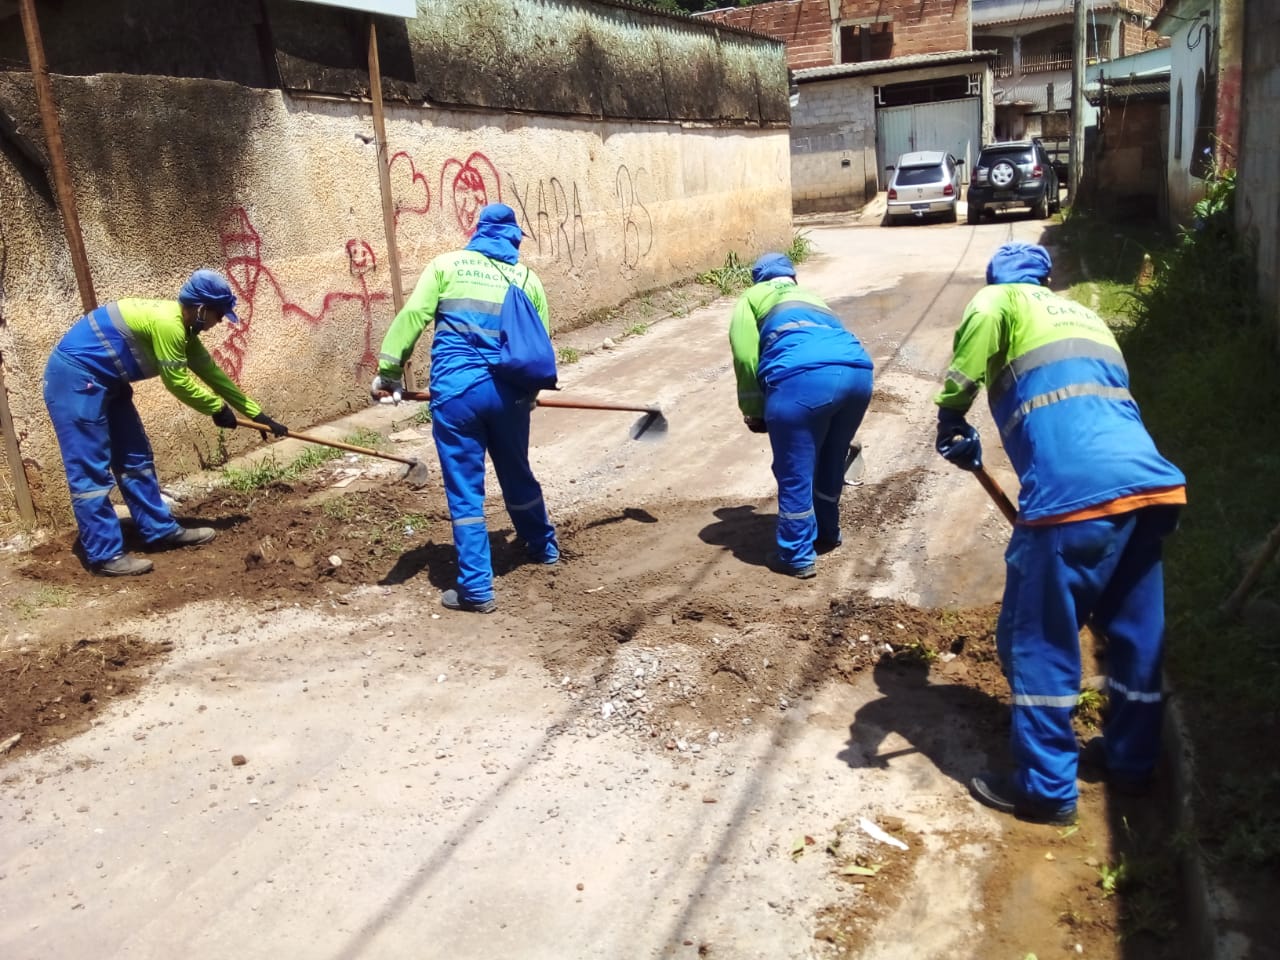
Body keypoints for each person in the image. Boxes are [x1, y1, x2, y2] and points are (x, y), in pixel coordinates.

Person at [934, 241, 1186, 825]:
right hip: (1148, 487)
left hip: (1071, 498)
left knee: (1037, 639)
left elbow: (964, 372)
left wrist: (950, 416)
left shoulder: (997, 300)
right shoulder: (1087, 316)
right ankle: (1131, 764)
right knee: (1133, 636)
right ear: (1047, 279)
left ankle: (1046, 791)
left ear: (996, 276)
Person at [371, 202, 559, 614]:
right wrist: (530, 394)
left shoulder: (447, 266)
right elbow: (539, 343)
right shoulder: (528, 278)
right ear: (512, 237)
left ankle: (476, 589)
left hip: (457, 395)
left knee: (465, 491)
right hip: (510, 397)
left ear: (479, 232)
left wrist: (389, 372)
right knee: (516, 472)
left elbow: (415, 316)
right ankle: (544, 547)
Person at [43, 269, 289, 577]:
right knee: (89, 469)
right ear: (201, 309)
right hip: (76, 381)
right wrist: (216, 408)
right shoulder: (169, 325)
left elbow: (211, 373)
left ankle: (159, 530)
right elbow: (177, 382)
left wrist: (256, 414)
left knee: (135, 457)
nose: (219, 323)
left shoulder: (185, 330)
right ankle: (105, 555)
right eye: (218, 314)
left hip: (110, 383)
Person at [729, 252, 874, 578]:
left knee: (795, 469)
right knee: (831, 459)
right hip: (858, 374)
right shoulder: (812, 296)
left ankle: (796, 556)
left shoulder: (751, 298)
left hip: (800, 379)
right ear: (791, 277)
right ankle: (827, 533)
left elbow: (745, 356)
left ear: (759, 279)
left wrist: (754, 410)